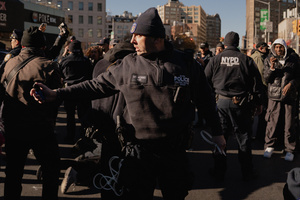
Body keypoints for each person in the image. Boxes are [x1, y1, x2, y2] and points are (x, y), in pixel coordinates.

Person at [31, 7, 226, 200]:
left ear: (157, 39)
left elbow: (206, 100)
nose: (132, 40)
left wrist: (217, 133)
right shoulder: (128, 64)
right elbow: (94, 86)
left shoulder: (186, 64)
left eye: (138, 35)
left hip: (174, 153)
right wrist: (57, 94)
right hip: (139, 153)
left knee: (175, 194)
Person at [61, 41, 136, 198]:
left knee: (102, 160)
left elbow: (93, 86)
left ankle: (78, 171)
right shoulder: (129, 69)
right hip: (120, 123)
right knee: (116, 165)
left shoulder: (100, 64)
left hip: (98, 118)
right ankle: (77, 171)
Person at [0, 26, 63, 200]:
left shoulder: (8, 63)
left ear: (23, 45)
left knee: (13, 174)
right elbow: (57, 99)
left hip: (13, 129)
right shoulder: (49, 66)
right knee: (51, 172)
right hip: (41, 128)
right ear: (42, 46)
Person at [205, 31, 264, 181]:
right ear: (237, 43)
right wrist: (258, 102)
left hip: (221, 103)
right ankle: (247, 173)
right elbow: (257, 83)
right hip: (241, 104)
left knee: (221, 138)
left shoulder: (215, 59)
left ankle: (219, 172)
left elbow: (204, 81)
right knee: (243, 138)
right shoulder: (246, 59)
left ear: (225, 43)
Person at [263, 38, 300, 161]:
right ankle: (269, 146)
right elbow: (266, 79)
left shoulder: (294, 59)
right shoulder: (269, 59)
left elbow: (298, 77)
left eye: (281, 47)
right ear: (273, 47)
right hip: (274, 96)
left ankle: (290, 149)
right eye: (276, 47)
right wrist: (272, 67)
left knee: (290, 124)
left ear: (285, 47)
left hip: (289, 96)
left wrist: (291, 84)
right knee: (272, 122)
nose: (278, 49)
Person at [59, 40, 94, 143]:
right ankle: (84, 137)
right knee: (83, 116)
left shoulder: (64, 61)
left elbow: (60, 75)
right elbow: (90, 75)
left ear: (69, 49)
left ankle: (70, 137)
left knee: (70, 116)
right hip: (83, 90)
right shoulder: (86, 61)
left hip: (69, 90)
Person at [250, 42, 269, 140]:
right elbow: (262, 75)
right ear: (261, 48)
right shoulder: (258, 57)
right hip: (259, 89)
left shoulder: (257, 56)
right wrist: (265, 88)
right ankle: (259, 136)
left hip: (255, 88)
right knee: (261, 112)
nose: (268, 50)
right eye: (266, 48)